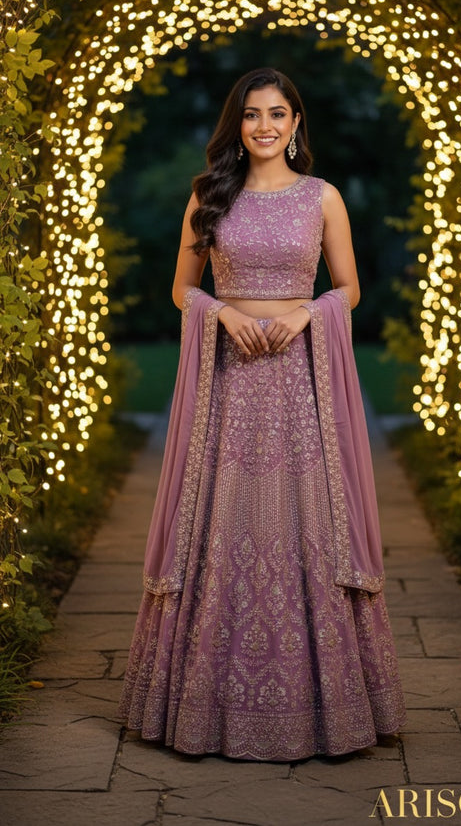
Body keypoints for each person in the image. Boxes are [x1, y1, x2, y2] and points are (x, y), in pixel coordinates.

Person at [119, 67, 406, 761]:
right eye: (251, 115)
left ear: (297, 122)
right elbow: (183, 291)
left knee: (306, 523)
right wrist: (221, 313)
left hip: (298, 384)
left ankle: (325, 706)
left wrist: (309, 312)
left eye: (278, 113)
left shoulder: (322, 198)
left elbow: (350, 287)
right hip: (229, 384)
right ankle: (199, 703)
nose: (265, 126)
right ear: (236, 124)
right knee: (222, 525)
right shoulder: (208, 195)